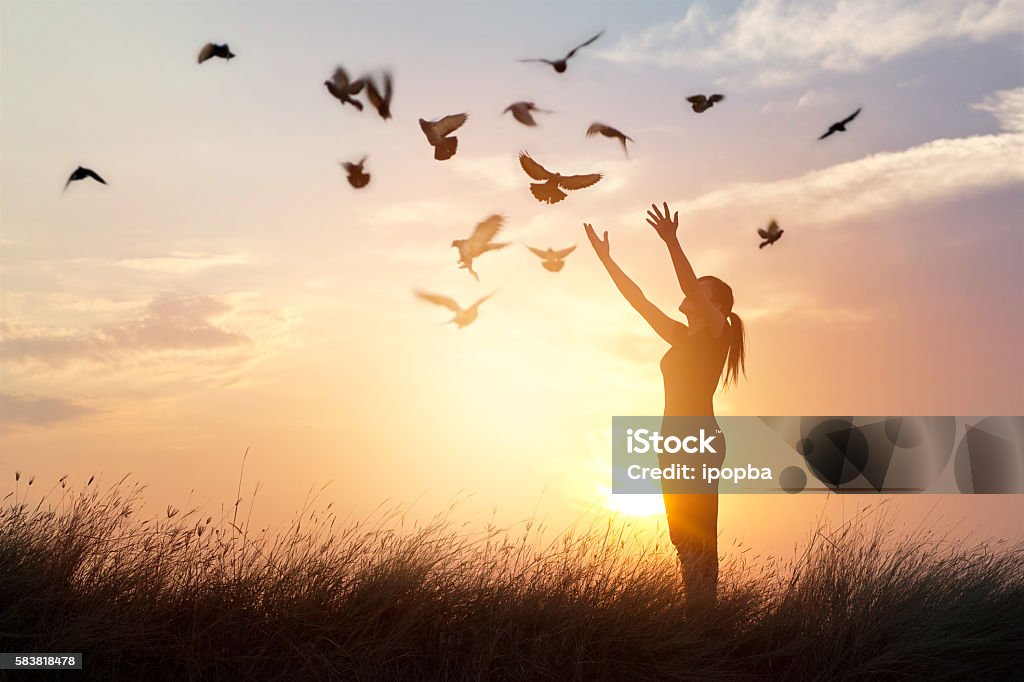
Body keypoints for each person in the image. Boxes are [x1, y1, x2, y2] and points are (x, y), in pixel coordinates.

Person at [584, 203, 746, 609]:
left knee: (699, 534)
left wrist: (672, 241)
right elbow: (639, 301)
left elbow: (690, 285)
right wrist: (608, 261)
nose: (690, 291)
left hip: (697, 437)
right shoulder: (682, 337)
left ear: (718, 307)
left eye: (701, 289)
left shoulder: (717, 333)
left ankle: (705, 620)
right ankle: (698, 613)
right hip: (672, 439)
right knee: (682, 536)